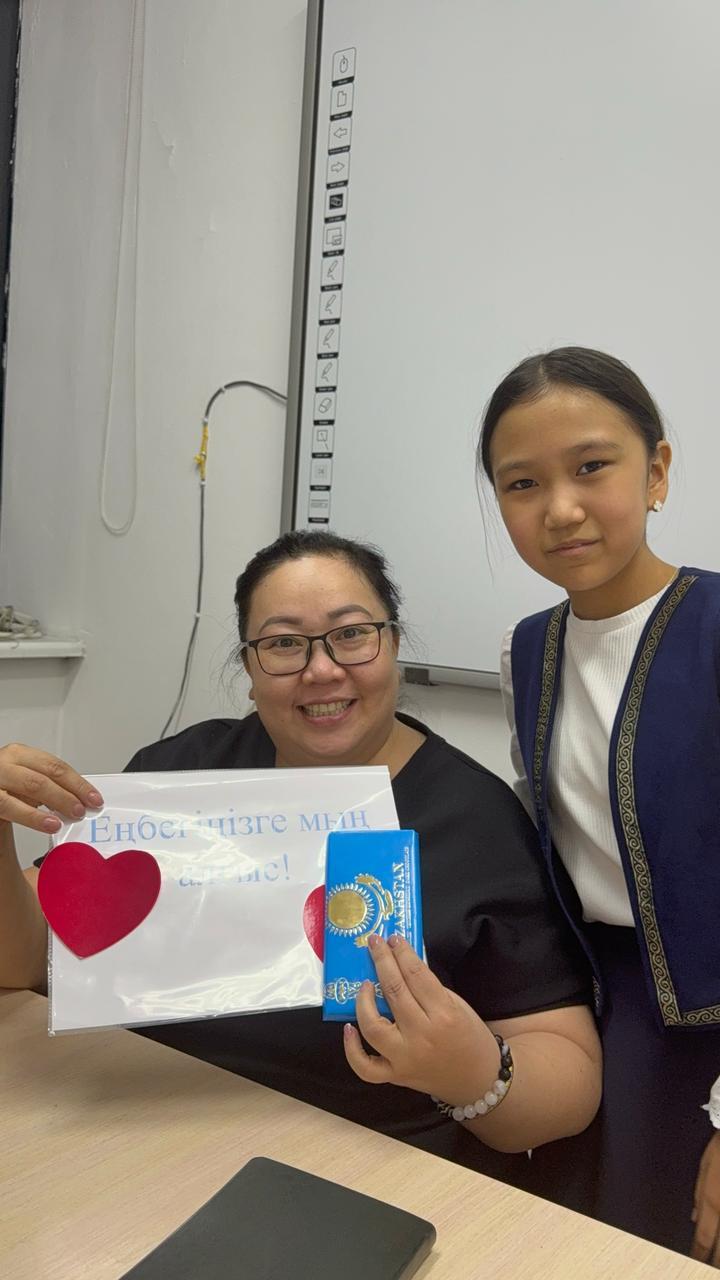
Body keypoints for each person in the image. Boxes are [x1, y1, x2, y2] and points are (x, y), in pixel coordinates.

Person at [0, 529, 600, 1188]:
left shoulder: (477, 822)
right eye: (284, 643)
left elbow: (570, 1082)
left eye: (352, 634)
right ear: (250, 668)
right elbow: (24, 961)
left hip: (359, 1172)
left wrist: (474, 1073)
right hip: (139, 1130)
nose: (321, 669)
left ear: (394, 644)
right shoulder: (181, 773)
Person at [477, 346, 720, 1259]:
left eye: (591, 467)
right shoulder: (528, 648)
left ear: (655, 472)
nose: (560, 508)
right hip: (593, 1008)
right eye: (522, 483)